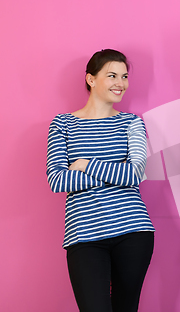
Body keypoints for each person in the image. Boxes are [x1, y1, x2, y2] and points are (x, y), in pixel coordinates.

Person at [46, 49, 155, 312]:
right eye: (112, 76)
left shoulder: (132, 123)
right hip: (83, 235)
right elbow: (57, 180)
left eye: (125, 76)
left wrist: (85, 165)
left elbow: (134, 174)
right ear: (91, 79)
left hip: (133, 230)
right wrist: (114, 174)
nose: (121, 83)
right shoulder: (63, 124)